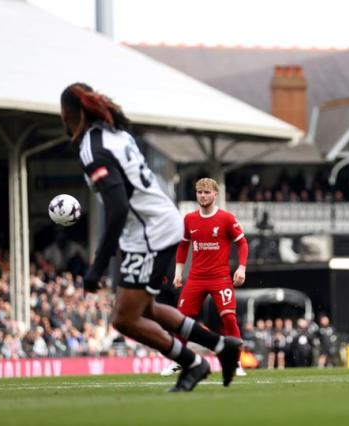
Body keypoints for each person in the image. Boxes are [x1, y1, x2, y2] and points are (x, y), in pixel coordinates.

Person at [60, 83, 241, 392]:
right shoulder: (118, 135)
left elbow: (117, 209)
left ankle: (193, 363)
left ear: (72, 114)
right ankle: (222, 346)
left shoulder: (91, 147)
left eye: (62, 114)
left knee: (124, 319)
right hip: (152, 226)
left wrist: (97, 266)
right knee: (147, 309)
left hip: (150, 232)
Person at [161, 178, 249, 376]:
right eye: (200, 192)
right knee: (180, 320)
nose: (203, 196)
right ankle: (180, 360)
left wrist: (241, 268)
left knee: (229, 319)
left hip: (220, 278)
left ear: (215, 195)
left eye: (207, 192)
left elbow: (242, 243)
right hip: (196, 278)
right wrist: (178, 272)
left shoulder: (226, 218)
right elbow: (183, 245)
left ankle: (235, 362)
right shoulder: (189, 219)